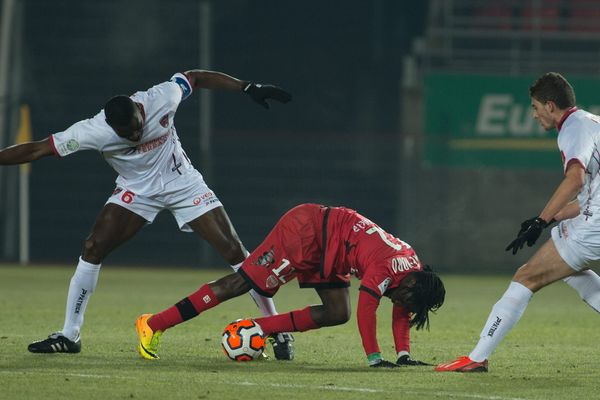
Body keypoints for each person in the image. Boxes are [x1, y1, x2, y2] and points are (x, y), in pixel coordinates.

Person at [0, 69, 296, 358]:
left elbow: (195, 77)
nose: (136, 134)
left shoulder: (162, 97)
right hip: (137, 191)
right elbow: (38, 149)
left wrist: (246, 87)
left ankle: (277, 329)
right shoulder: (93, 131)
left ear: (140, 111)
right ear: (113, 128)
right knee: (93, 247)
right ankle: (69, 335)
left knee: (235, 252)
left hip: (184, 184)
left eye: (138, 126)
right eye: (128, 134)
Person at [135, 203, 446, 367]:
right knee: (239, 284)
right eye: (407, 299)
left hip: (332, 250)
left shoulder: (411, 271)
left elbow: (404, 307)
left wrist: (404, 355)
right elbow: (368, 310)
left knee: (337, 312)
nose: (402, 305)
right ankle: (154, 324)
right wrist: (375, 359)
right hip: (308, 232)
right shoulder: (388, 266)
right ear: (413, 282)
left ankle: (257, 327)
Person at [436, 72, 600, 373]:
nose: (534, 114)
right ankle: (477, 357)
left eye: (536, 107)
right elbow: (592, 193)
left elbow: (575, 179)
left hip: (595, 227)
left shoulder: (572, 130)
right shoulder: (592, 122)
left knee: (526, 277)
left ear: (551, 105)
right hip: (592, 220)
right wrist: (549, 220)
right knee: (569, 260)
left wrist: (541, 219)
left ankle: (477, 357)